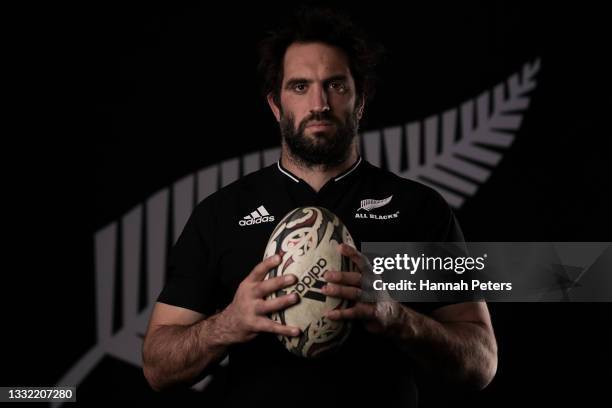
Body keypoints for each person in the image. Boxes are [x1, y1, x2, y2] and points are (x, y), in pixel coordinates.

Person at [142, 7, 497, 407]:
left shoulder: (420, 209)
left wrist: (397, 319)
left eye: (335, 85)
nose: (319, 103)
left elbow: (482, 362)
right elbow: (157, 367)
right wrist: (228, 323)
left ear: (359, 100)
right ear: (276, 105)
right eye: (299, 87)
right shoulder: (220, 214)